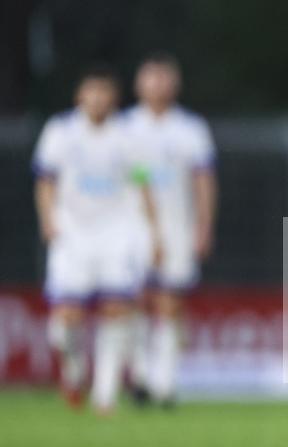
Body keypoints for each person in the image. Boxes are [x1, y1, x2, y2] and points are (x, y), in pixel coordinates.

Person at [34, 65, 162, 415]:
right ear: (80, 96)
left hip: (115, 233)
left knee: (117, 309)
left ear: (114, 99)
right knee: (66, 319)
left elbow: (143, 183)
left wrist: (154, 232)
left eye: (105, 93)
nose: (98, 99)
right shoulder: (60, 132)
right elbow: (45, 180)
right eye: (92, 92)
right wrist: (48, 219)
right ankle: (74, 371)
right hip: (72, 232)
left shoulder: (127, 137)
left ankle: (104, 395)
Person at [124, 52, 218, 406]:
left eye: (165, 78)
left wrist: (205, 224)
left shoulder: (190, 129)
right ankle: (140, 374)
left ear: (175, 84)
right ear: (139, 84)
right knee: (133, 300)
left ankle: (166, 381)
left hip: (178, 224)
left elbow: (204, 180)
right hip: (131, 226)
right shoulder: (126, 127)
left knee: (171, 302)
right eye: (152, 77)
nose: (158, 85)